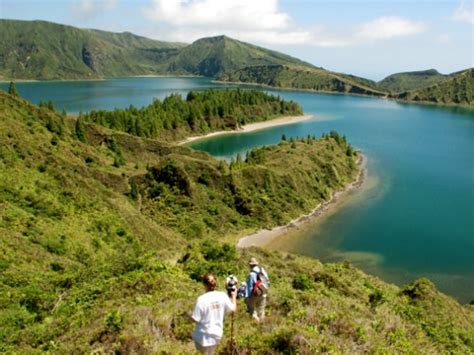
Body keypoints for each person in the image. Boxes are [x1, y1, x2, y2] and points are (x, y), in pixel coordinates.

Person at [191, 273, 237, 354]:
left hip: (201, 336)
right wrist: (233, 296)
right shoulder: (222, 296)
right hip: (215, 335)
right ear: (215, 283)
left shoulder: (201, 299)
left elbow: (195, 319)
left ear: (204, 284)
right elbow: (232, 309)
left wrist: (187, 316)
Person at [245, 257, 269, 322]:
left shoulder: (251, 274)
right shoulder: (262, 270)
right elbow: (267, 281)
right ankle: (261, 325)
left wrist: (247, 298)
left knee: (251, 308)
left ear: (250, 265)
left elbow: (249, 287)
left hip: (255, 294)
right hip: (264, 293)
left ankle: (256, 321)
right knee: (261, 310)